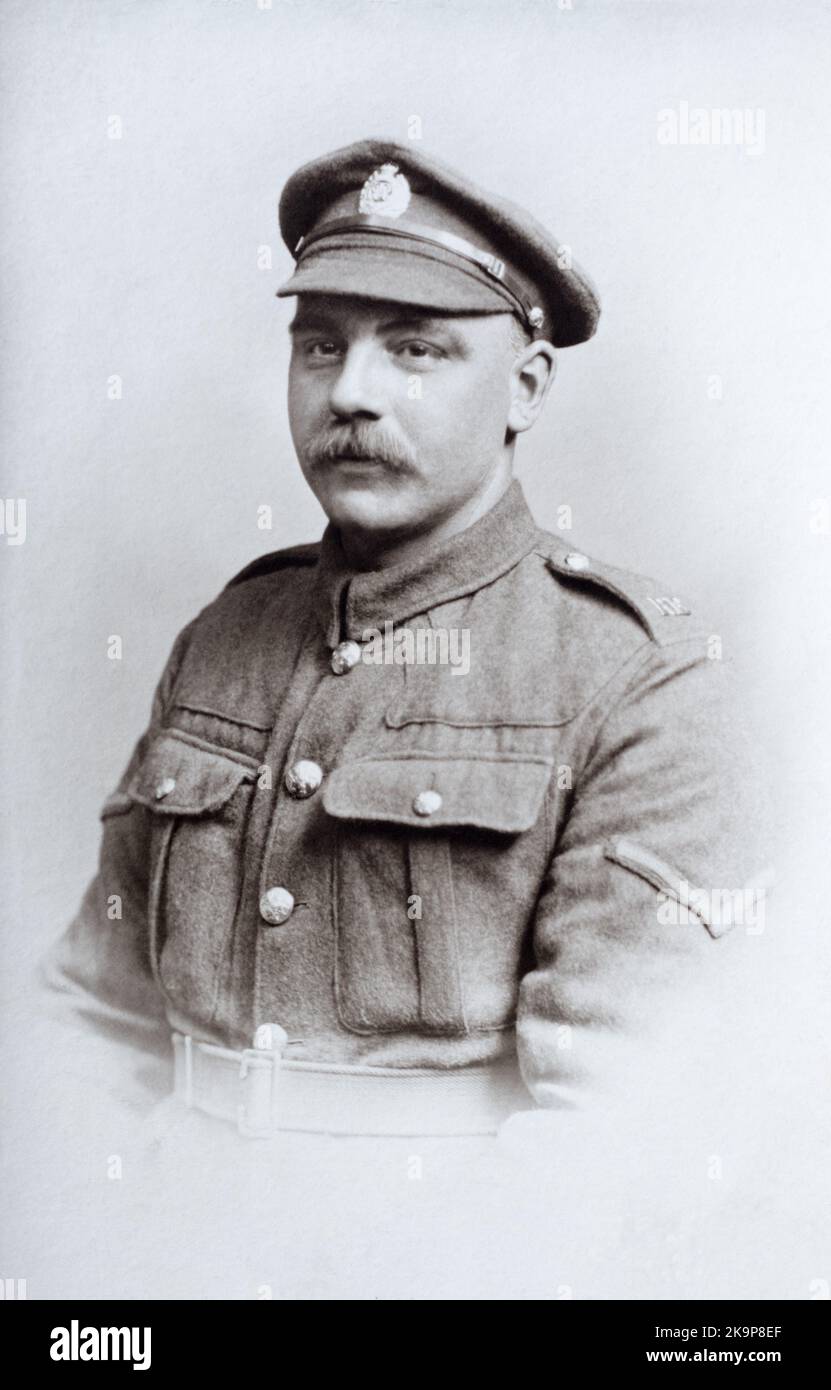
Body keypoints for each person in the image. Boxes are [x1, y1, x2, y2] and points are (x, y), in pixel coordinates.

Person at [42, 138, 769, 1143]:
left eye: (417, 349)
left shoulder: (636, 674)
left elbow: (616, 1130)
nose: (350, 393)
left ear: (527, 387)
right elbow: (92, 1022)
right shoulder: (226, 636)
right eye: (321, 345)